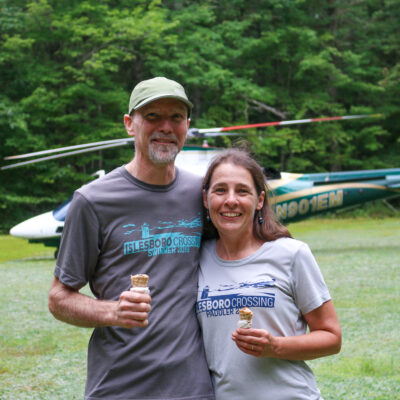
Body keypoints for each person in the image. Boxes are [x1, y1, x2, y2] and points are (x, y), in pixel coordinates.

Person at [48, 77, 215, 400]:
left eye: (176, 117)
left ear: (187, 126)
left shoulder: (202, 194)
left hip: (192, 388)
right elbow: (59, 298)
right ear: (129, 124)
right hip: (119, 387)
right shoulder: (93, 201)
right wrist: (113, 312)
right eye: (153, 116)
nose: (166, 126)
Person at [196, 148, 341, 400]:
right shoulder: (196, 259)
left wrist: (276, 346)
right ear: (206, 199)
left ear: (259, 200)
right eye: (220, 190)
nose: (231, 200)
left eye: (242, 191)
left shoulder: (291, 254)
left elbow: (331, 337)